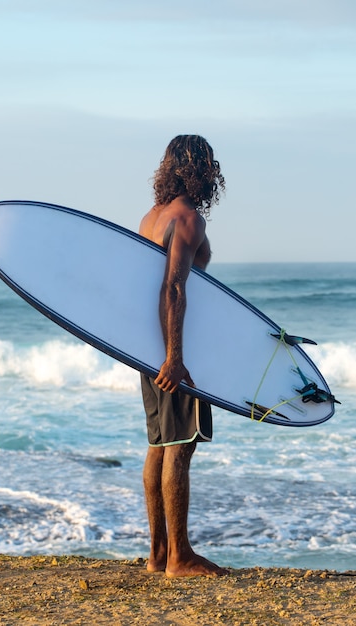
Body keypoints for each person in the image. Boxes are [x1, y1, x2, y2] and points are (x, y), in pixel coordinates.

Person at [139, 135, 228, 577]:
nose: (214, 173)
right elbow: (173, 287)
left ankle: (158, 554)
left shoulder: (152, 217)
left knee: (158, 443)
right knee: (179, 444)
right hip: (175, 351)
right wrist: (175, 357)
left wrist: (155, 354)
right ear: (197, 169)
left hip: (148, 349)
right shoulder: (188, 219)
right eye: (209, 164)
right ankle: (180, 556)